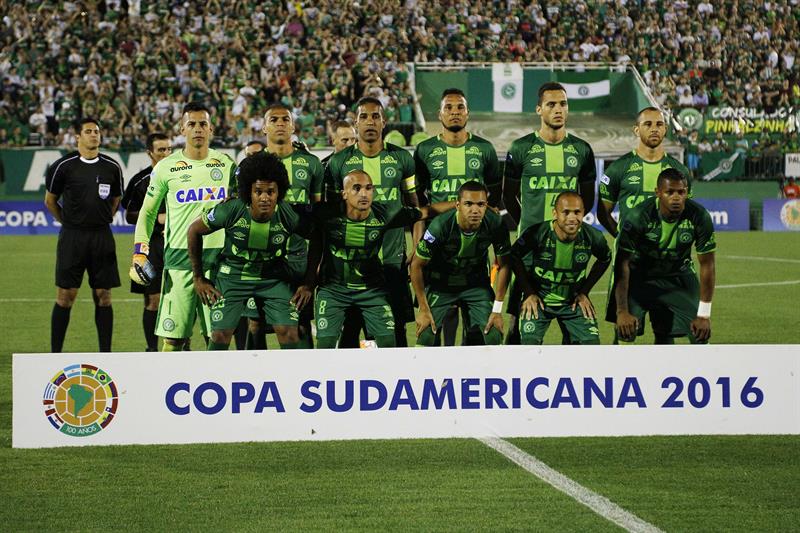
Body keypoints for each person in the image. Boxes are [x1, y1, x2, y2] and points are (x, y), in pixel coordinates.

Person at [130, 102, 236, 351]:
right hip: (179, 262)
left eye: (203, 124)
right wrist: (139, 250)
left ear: (211, 129)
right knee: (174, 339)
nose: (198, 129)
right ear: (182, 129)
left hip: (218, 262)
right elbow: (147, 212)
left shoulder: (226, 164)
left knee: (218, 338)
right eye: (192, 124)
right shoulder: (166, 167)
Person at [308, 170, 454, 349]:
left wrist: (459, 203)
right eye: (357, 188)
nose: (364, 193)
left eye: (369, 188)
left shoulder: (384, 213)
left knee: (387, 344)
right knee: (325, 345)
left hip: (372, 291)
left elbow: (424, 212)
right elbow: (294, 215)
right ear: (344, 194)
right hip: (334, 291)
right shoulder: (326, 213)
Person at [187, 151, 313, 350]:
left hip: (273, 276)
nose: (265, 198)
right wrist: (198, 277)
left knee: (289, 333)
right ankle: (213, 378)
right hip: (233, 275)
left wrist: (308, 283)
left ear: (279, 192)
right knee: (220, 335)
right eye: (258, 191)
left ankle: (292, 379)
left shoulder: (289, 214)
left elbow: (317, 239)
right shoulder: (231, 209)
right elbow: (194, 230)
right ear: (248, 192)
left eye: (270, 191)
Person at [502, 82, 597, 345]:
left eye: (563, 104)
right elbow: (509, 196)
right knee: (518, 323)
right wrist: (530, 227)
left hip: (567, 246)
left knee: (572, 318)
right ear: (539, 109)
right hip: (530, 251)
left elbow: (587, 198)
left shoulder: (582, 150)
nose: (558, 110)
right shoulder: (521, 148)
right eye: (551, 104)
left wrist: (569, 228)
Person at [324, 97, 421, 347]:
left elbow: (415, 208)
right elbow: (332, 217)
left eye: (375, 116)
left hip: (392, 261)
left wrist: (417, 249)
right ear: (355, 123)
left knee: (395, 333)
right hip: (350, 267)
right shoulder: (339, 162)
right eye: (364, 117)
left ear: (384, 122)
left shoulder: (401, 159)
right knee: (349, 334)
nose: (370, 121)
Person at [413, 88, 501, 346]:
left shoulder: (484, 149)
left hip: (474, 242)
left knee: (474, 316)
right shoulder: (425, 150)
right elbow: (419, 203)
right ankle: (444, 364)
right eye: (448, 108)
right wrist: (418, 240)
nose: (454, 113)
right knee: (442, 311)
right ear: (439, 114)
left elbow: (494, 197)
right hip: (438, 242)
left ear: (467, 113)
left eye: (460, 107)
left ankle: (466, 365)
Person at [598, 107, 692, 343]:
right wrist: (621, 236)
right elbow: (603, 213)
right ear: (636, 129)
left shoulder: (679, 171)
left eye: (659, 124)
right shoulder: (619, 168)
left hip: (667, 267)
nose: (654, 129)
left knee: (665, 335)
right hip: (632, 266)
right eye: (648, 124)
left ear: (666, 129)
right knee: (625, 335)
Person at [240, 103, 324, 350]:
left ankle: (306, 377)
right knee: (255, 323)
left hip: (298, 261)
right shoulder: (249, 166)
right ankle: (257, 377)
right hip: (259, 262)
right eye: (273, 119)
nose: (279, 123)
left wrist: (314, 269)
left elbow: (318, 217)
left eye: (284, 119)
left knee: (300, 323)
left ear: (293, 125)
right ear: (264, 127)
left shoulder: (311, 164)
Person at [45, 117, 124, 352]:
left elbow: (116, 199)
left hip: (101, 236)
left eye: (97, 131)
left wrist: (100, 219)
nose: (94, 135)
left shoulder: (112, 166)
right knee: (65, 295)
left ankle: (106, 354)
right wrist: (68, 222)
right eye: (88, 131)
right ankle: (54, 354)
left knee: (104, 295)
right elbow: (50, 201)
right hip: (72, 237)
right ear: (78, 137)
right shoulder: (63, 166)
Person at [614, 168, 716, 344]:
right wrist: (622, 311)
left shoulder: (699, 216)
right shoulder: (639, 216)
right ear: (658, 193)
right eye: (670, 192)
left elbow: (707, 264)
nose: (676, 197)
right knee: (625, 332)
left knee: (700, 333)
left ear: (687, 193)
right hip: (641, 277)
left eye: (681, 192)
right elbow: (622, 263)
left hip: (679, 276)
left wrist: (704, 314)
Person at [411, 181, 511, 346]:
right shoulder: (440, 225)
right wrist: (423, 308)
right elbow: (416, 265)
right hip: (441, 283)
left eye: (480, 204)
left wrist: (497, 310)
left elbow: (505, 265)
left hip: (475, 284)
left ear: (487, 205)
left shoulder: (496, 223)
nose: (475, 210)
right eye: (468, 204)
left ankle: (484, 371)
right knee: (426, 334)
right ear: (457, 205)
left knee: (493, 333)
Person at [510, 192, 611, 345]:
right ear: (555, 213)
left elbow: (605, 259)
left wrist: (584, 292)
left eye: (577, 212)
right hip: (540, 302)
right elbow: (514, 256)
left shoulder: (593, 236)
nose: (572, 218)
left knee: (591, 347)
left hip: (573, 303)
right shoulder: (538, 233)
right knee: (528, 348)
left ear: (584, 212)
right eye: (566, 212)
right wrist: (529, 293)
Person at [120, 132, 172, 351]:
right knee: (153, 300)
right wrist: (155, 218)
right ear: (149, 152)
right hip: (151, 247)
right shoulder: (140, 181)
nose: (165, 153)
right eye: (161, 150)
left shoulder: (181, 176)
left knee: (181, 300)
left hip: (176, 245)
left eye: (168, 149)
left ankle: (182, 347)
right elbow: (128, 214)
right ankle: (152, 349)